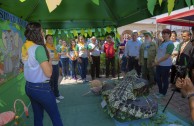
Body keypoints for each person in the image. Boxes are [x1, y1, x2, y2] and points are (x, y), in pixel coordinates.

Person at [22, 22, 63, 126]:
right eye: (41, 30)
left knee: (38, 116)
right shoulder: (38, 48)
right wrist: (49, 57)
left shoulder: (25, 47)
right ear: (36, 33)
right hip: (41, 88)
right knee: (55, 116)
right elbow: (49, 73)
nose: (43, 33)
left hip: (29, 87)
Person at [153, 29, 174, 98]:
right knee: (158, 78)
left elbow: (167, 56)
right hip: (159, 64)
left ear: (169, 35)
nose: (164, 35)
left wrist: (157, 62)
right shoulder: (163, 42)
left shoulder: (170, 44)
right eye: (163, 34)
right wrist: (156, 60)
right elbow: (158, 53)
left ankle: (163, 93)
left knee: (164, 79)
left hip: (165, 65)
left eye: (166, 34)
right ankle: (160, 91)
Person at [45, 35, 64, 103]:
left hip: (56, 65)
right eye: (49, 39)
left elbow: (55, 55)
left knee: (56, 81)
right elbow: (47, 58)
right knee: (51, 82)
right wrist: (56, 58)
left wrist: (58, 56)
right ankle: (52, 97)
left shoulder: (53, 46)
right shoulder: (45, 47)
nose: (51, 40)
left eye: (51, 38)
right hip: (50, 66)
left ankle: (57, 94)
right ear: (46, 40)